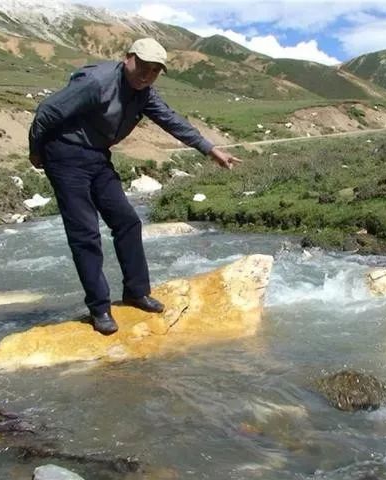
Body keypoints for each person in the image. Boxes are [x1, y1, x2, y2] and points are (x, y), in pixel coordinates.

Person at [28, 38, 242, 335]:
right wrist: (36, 152)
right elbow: (47, 112)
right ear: (128, 58)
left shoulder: (144, 94)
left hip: (97, 155)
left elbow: (172, 121)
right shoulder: (96, 82)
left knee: (127, 221)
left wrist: (210, 149)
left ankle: (135, 292)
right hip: (64, 154)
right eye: (143, 66)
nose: (147, 74)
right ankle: (99, 308)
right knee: (85, 233)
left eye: (155, 71)